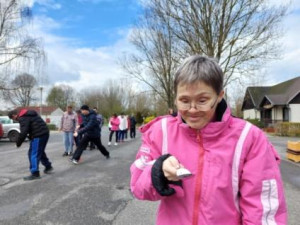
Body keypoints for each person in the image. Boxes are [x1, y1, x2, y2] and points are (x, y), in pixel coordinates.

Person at [130, 55, 287, 225]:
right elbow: (138, 187)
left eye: (202, 100)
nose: (192, 109)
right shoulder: (160, 132)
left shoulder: (249, 138)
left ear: (219, 96)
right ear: (175, 97)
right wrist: (158, 171)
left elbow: (263, 210)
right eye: (184, 100)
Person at [8, 109, 53, 181]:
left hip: (38, 135)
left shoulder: (23, 118)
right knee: (39, 151)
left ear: (14, 116)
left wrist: (18, 144)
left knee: (32, 153)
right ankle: (48, 166)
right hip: (44, 133)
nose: (15, 120)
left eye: (12, 119)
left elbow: (23, 132)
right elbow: (32, 127)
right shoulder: (29, 114)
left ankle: (35, 173)